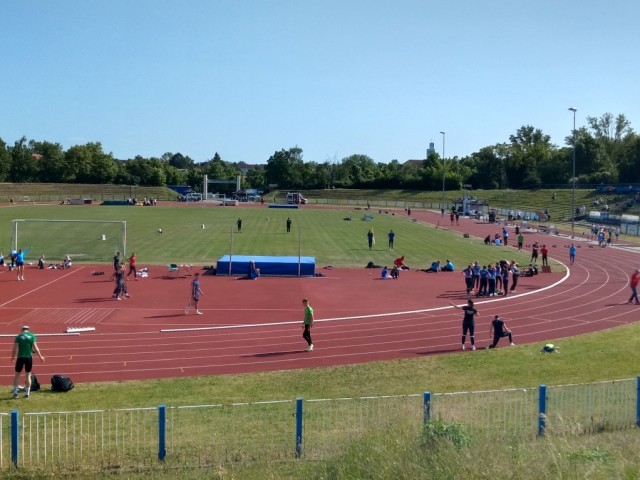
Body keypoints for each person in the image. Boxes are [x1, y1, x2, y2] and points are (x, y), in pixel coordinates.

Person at [11, 325, 45, 399]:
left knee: (17, 375)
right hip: (28, 358)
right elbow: (35, 347)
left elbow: (15, 349)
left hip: (20, 358)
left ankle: (15, 393)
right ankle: (27, 393)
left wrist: (13, 357)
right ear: (28, 330)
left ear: (22, 329)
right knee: (28, 375)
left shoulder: (18, 336)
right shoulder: (32, 336)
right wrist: (40, 356)